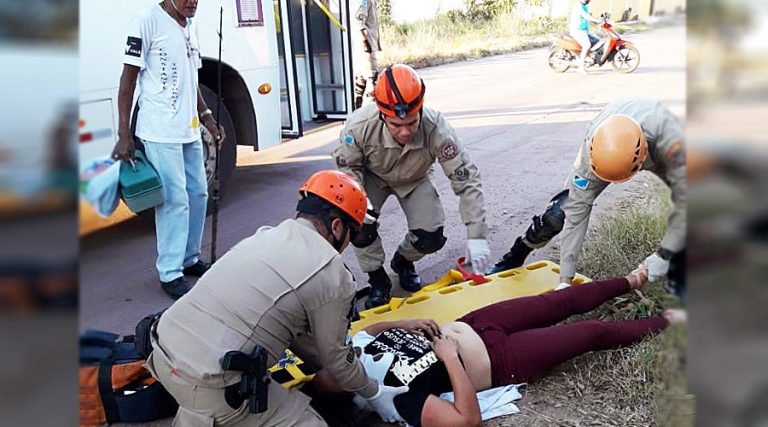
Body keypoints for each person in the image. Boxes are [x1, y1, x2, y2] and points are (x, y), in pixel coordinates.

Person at [145, 170, 408, 426]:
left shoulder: (265, 235)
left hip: (161, 355)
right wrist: (374, 393)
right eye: (353, 232)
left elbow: (290, 324)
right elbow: (338, 360)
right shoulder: (332, 273)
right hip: (211, 386)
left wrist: (319, 363)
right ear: (337, 226)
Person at [311, 265, 684, 426]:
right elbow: (466, 419)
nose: (337, 362)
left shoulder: (354, 351)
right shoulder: (391, 397)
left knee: (559, 301)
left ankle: (634, 280)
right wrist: (450, 360)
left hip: (477, 321)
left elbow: (372, 328)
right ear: (348, 396)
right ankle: (671, 322)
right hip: (497, 359)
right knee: (591, 334)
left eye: (330, 365)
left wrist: (404, 322)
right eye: (333, 374)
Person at [488, 98, 686, 297]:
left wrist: (664, 255)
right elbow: (576, 216)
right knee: (559, 214)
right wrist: (565, 281)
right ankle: (516, 253)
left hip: (656, 145)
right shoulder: (593, 149)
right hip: (609, 138)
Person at [333, 64, 490, 309]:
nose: (405, 131)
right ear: (382, 114)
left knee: (431, 237)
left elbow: (466, 180)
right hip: (372, 177)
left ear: (420, 110)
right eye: (396, 124)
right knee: (360, 227)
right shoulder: (358, 126)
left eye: (411, 122)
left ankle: (403, 260)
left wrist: (477, 237)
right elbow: (347, 167)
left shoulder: (436, 127)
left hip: (414, 178)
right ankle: (377, 279)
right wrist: (361, 200)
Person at [111, 0, 225, 299]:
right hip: (159, 131)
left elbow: (192, 79)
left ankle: (189, 258)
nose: (192, 2)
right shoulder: (147, 19)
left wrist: (208, 118)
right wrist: (124, 133)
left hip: (188, 130)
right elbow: (127, 80)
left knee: (198, 193)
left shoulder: (190, 25)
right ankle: (170, 271)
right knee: (174, 201)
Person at [351, 0, 381, 109]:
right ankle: (372, 111)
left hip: (367, 44)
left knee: (361, 78)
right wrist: (364, 41)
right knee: (373, 78)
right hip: (367, 45)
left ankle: (356, 108)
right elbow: (359, 18)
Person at [569, 0, 601, 74]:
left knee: (597, 40)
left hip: (584, 30)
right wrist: (596, 21)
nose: (589, 1)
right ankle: (580, 68)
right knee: (587, 45)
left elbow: (590, 15)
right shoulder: (578, 6)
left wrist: (599, 20)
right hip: (577, 30)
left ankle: (587, 57)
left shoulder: (585, 6)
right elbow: (587, 17)